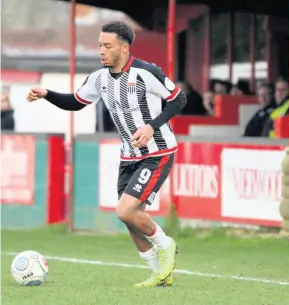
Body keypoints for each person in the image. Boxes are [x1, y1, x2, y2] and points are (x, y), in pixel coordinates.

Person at [26, 21, 186, 288]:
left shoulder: (147, 72)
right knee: (131, 218)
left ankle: (165, 244)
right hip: (128, 156)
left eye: (107, 46)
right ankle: (160, 273)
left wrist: (151, 126)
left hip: (158, 152)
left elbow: (178, 99)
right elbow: (76, 102)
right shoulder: (100, 78)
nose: (101, 50)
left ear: (124, 48)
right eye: (100, 45)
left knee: (125, 210)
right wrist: (46, 94)